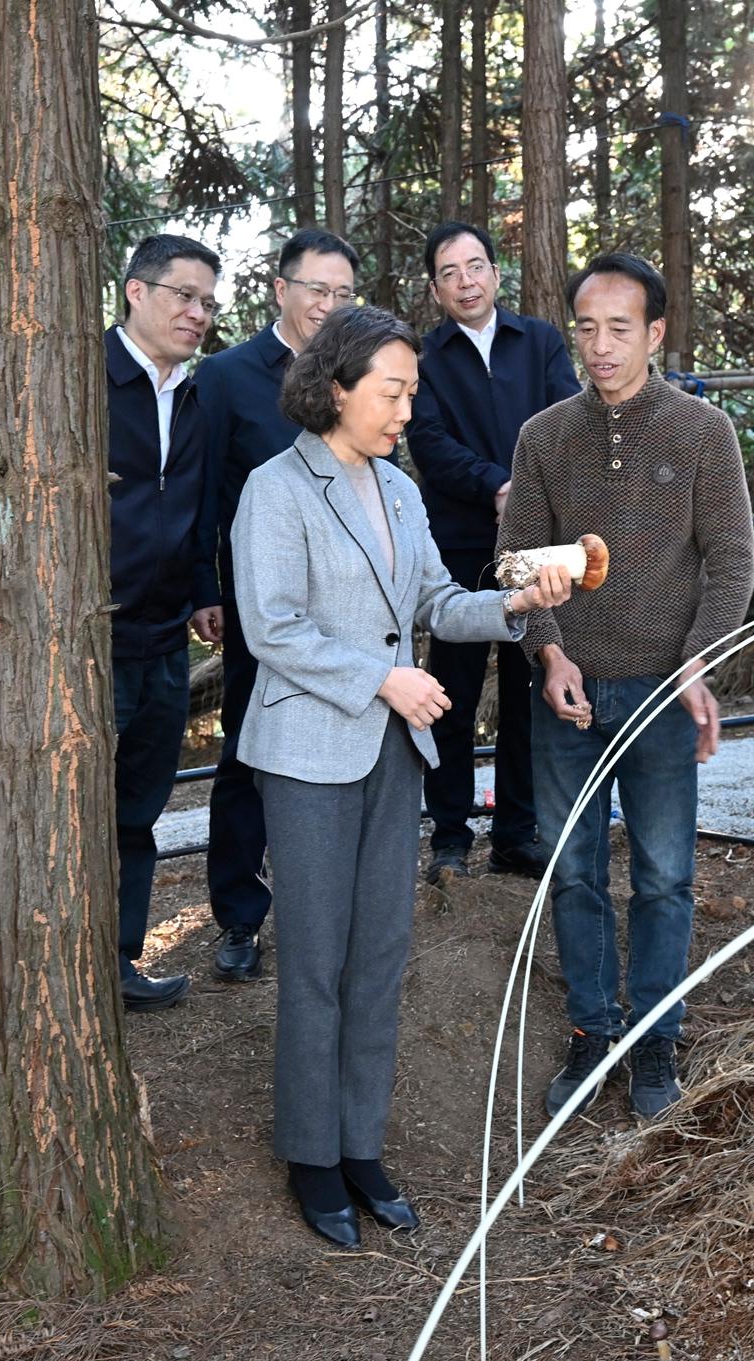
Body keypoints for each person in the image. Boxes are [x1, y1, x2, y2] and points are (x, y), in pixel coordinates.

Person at [230, 306, 573, 1249]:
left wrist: (513, 604)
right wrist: (382, 677)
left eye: (412, 392)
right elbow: (273, 627)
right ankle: (311, 1155)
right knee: (316, 959)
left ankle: (360, 1144)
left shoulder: (401, 488)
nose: (407, 410)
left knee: (380, 953)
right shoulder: (276, 487)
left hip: (392, 750)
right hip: (307, 753)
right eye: (392, 392)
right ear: (337, 387)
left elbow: (435, 602)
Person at [496, 252, 754, 1123]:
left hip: (663, 691)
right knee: (572, 871)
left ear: (655, 332)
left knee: (663, 875)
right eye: (587, 327)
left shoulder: (700, 431)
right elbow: (515, 561)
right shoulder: (544, 437)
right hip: (569, 693)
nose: (600, 346)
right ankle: (591, 1029)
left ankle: (654, 1037)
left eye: (619, 328)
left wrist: (698, 659)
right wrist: (549, 652)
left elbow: (732, 560)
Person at [194, 227, 361, 983]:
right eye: (316, 289)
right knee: (247, 750)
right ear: (280, 289)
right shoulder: (227, 375)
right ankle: (239, 913)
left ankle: (328, 901)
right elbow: (203, 489)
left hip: (349, 599)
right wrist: (205, 588)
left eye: (343, 292)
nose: (329, 304)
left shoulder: (358, 370)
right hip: (261, 605)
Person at [404, 221, 580, 887]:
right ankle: (449, 836)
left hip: (536, 544)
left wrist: (527, 496)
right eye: (450, 272)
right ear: (435, 289)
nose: (466, 281)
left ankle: (515, 833)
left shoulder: (539, 341)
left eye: (475, 266)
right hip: (459, 543)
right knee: (450, 691)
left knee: (526, 690)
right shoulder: (423, 357)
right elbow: (427, 441)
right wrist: (496, 486)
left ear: (496, 273)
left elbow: (568, 419)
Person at [104, 233, 224, 1012]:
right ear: (136, 292)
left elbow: (198, 507)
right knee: (79, 809)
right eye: (184, 295)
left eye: (208, 302)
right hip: (90, 637)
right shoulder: (83, 376)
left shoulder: (194, 395)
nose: (198, 313)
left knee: (139, 810)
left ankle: (119, 962)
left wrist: (203, 589)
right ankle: (66, 960)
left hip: (167, 634)